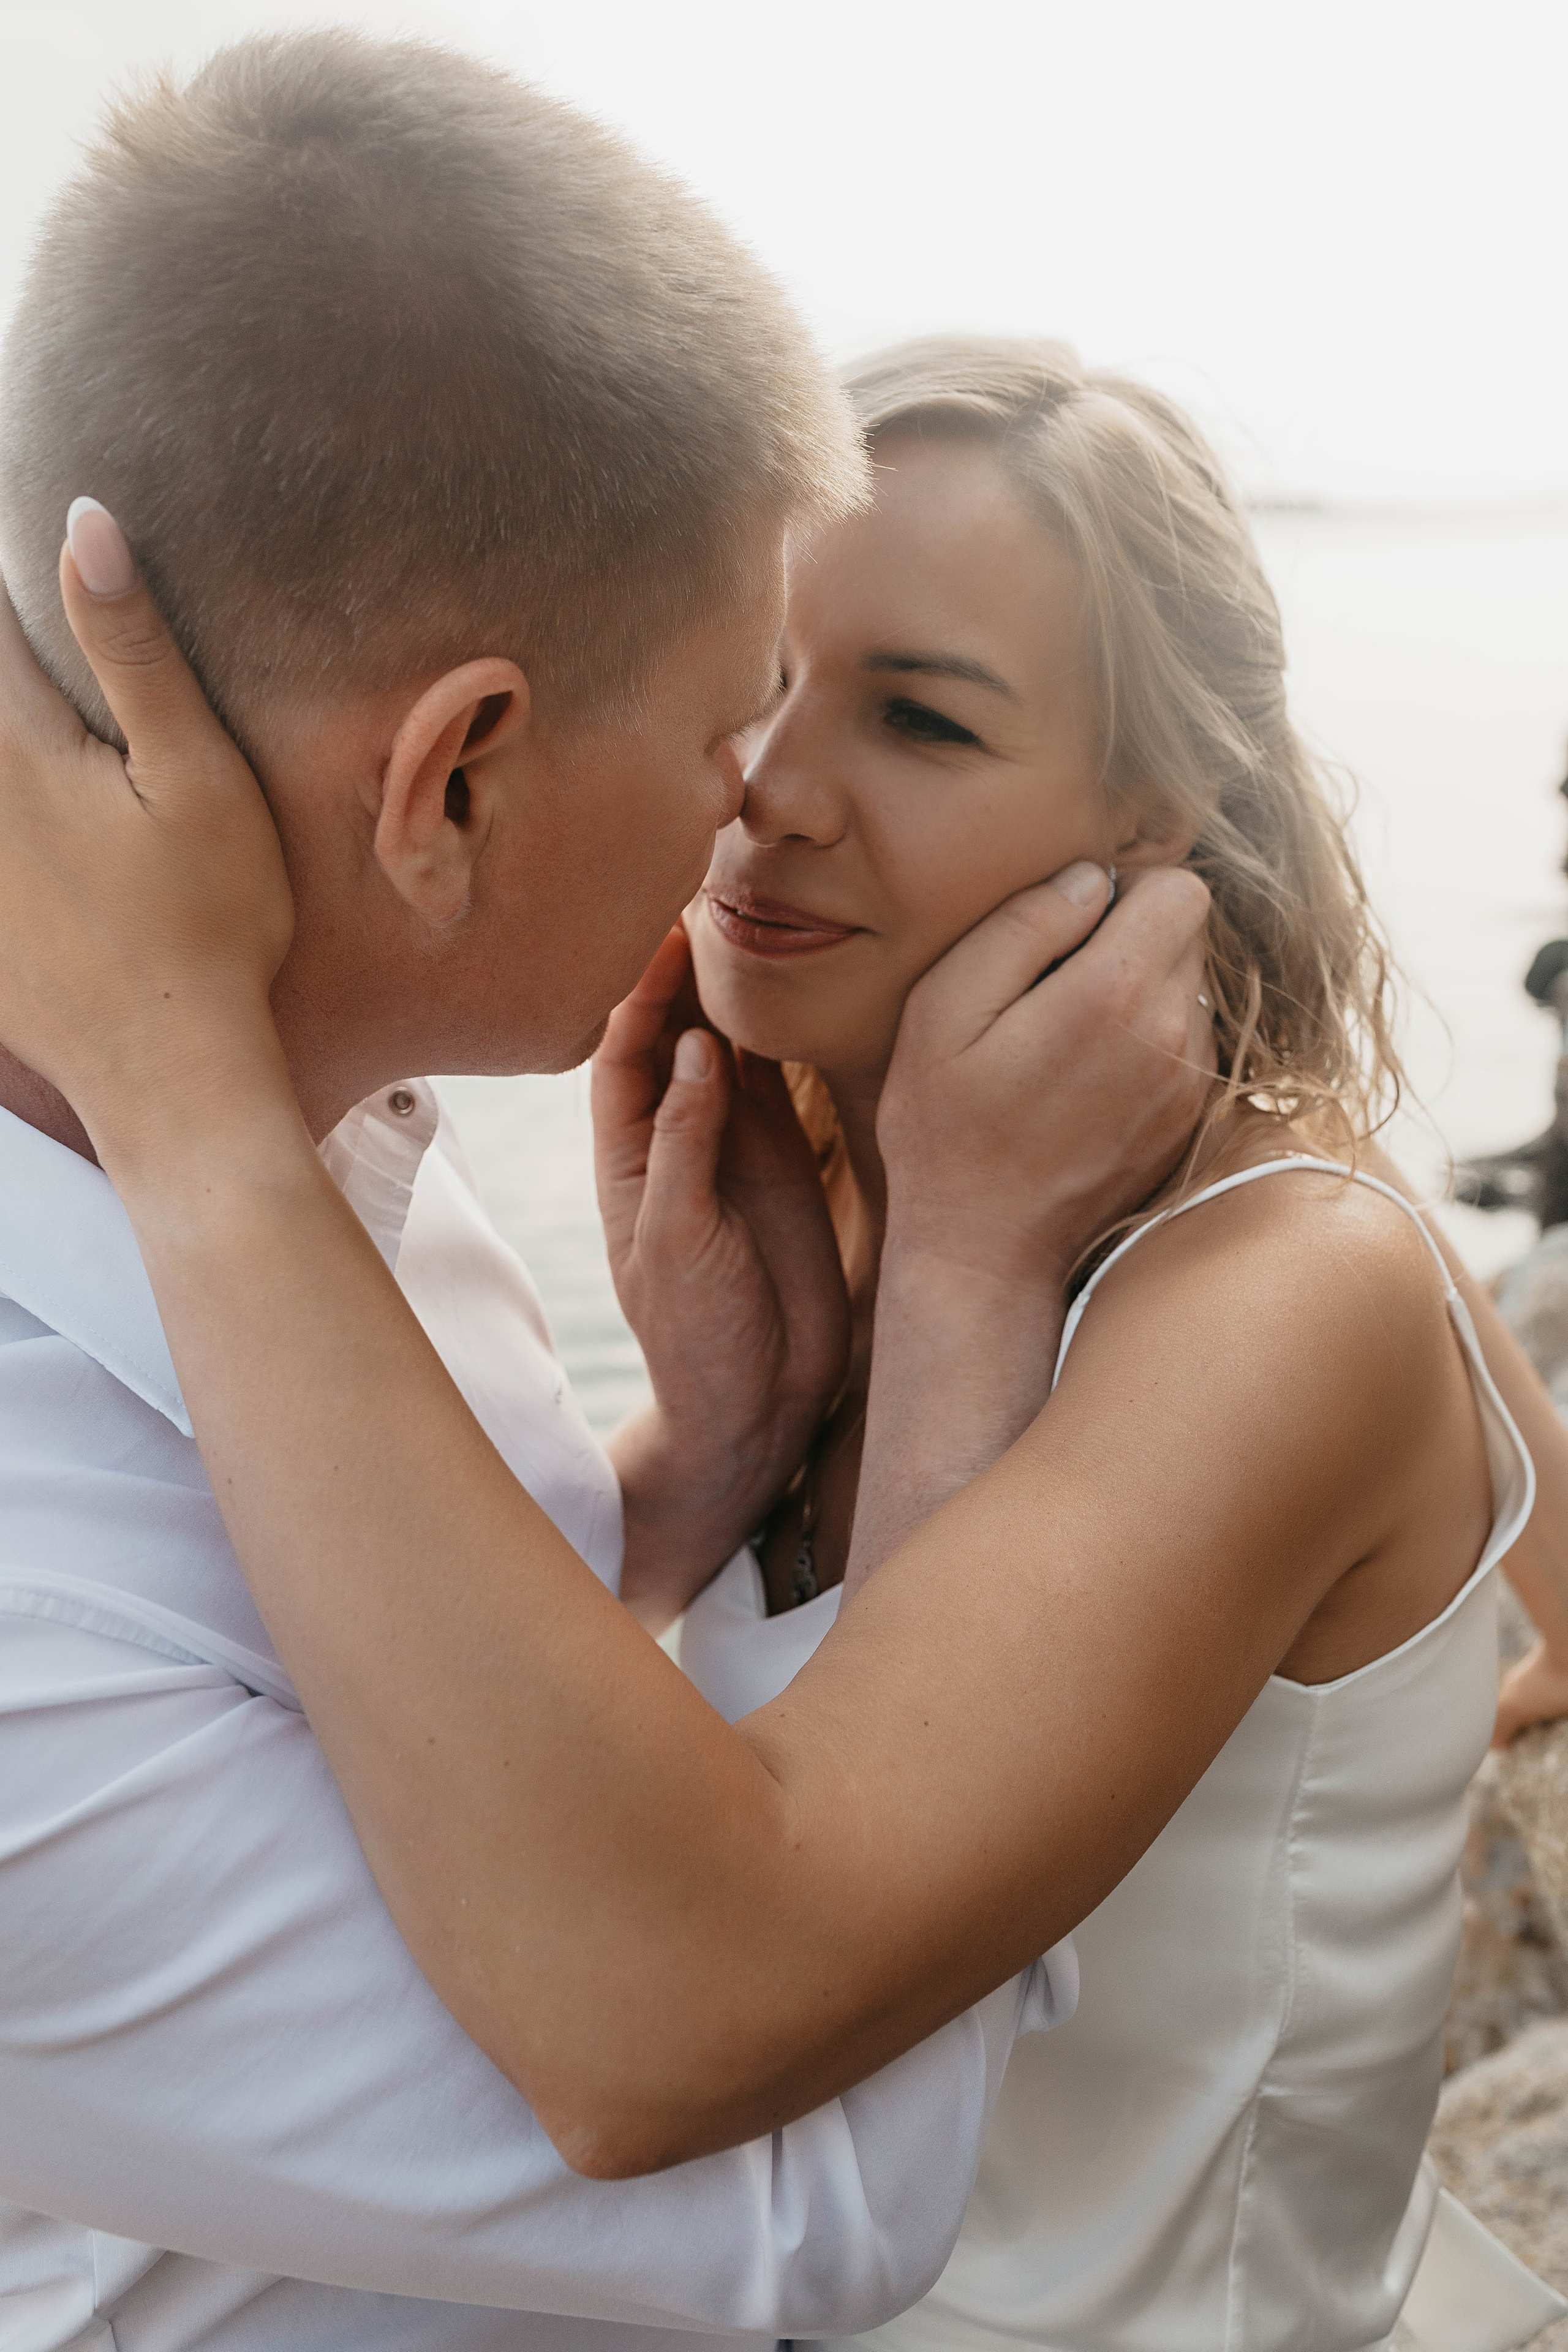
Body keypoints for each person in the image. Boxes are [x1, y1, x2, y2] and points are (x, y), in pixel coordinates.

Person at [6, 318, 1568, 2346]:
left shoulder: (1280, 1281)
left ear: (1161, 813)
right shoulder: (824, 1190)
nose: (774, 797)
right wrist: (705, 1461)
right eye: (758, 691)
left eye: (922, 721)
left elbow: (743, 1985)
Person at [0, 39, 1213, 2352]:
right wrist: (962, 1284)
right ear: (453, 781)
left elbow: (393, 1729)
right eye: (732, 712)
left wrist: (692, 1482)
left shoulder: (317, 1098)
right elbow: (783, 2179)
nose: (756, 809)